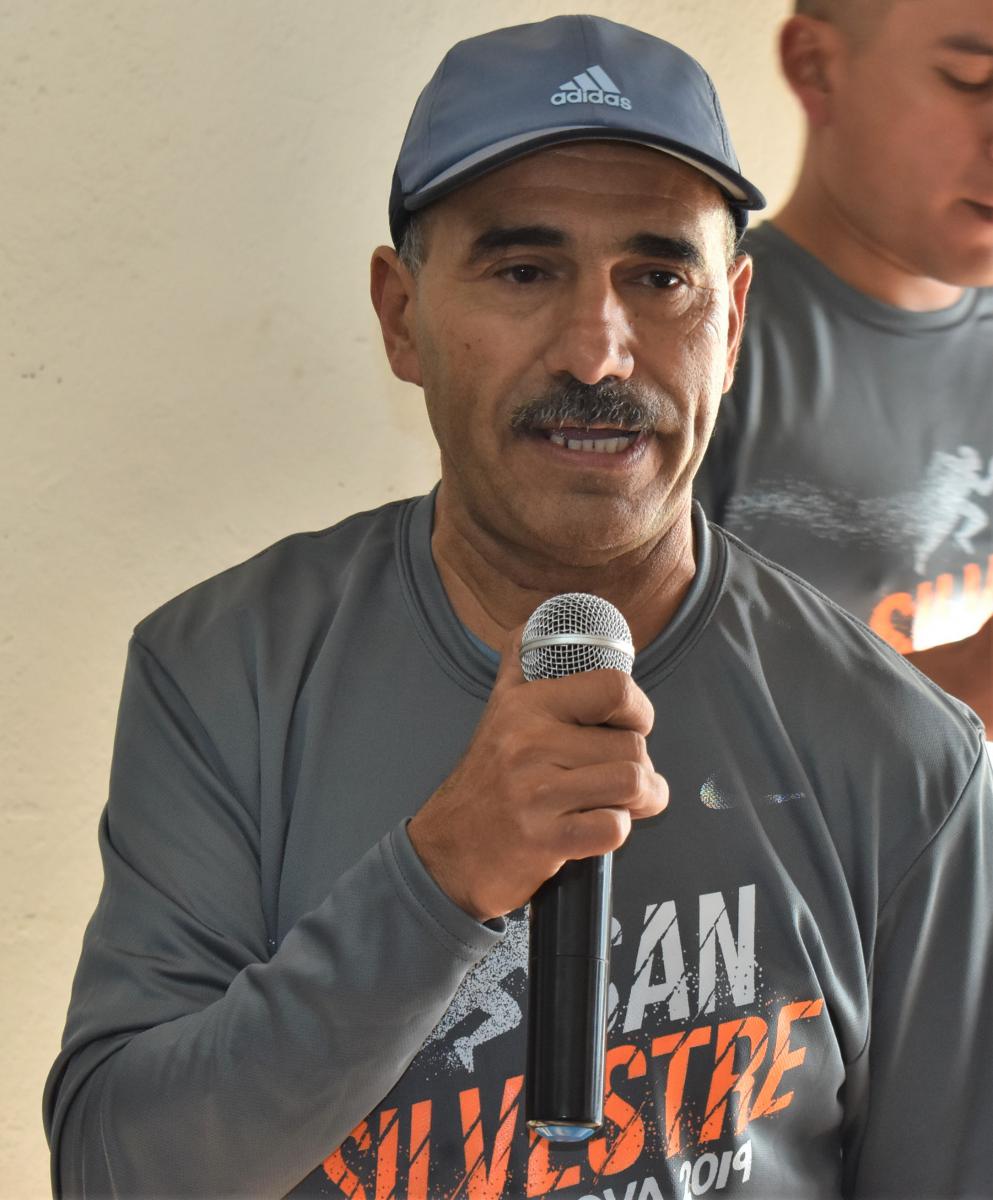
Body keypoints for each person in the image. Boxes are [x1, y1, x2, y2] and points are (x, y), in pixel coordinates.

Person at [45, 15, 993, 1200]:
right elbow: (117, 1175)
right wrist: (443, 872)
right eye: (524, 269)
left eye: (659, 276)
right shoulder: (225, 669)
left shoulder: (907, 753)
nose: (600, 351)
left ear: (734, 320)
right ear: (403, 316)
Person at [695, 0, 993, 735]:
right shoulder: (686, 351)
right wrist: (951, 693)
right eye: (970, 78)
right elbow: (623, 722)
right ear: (815, 67)